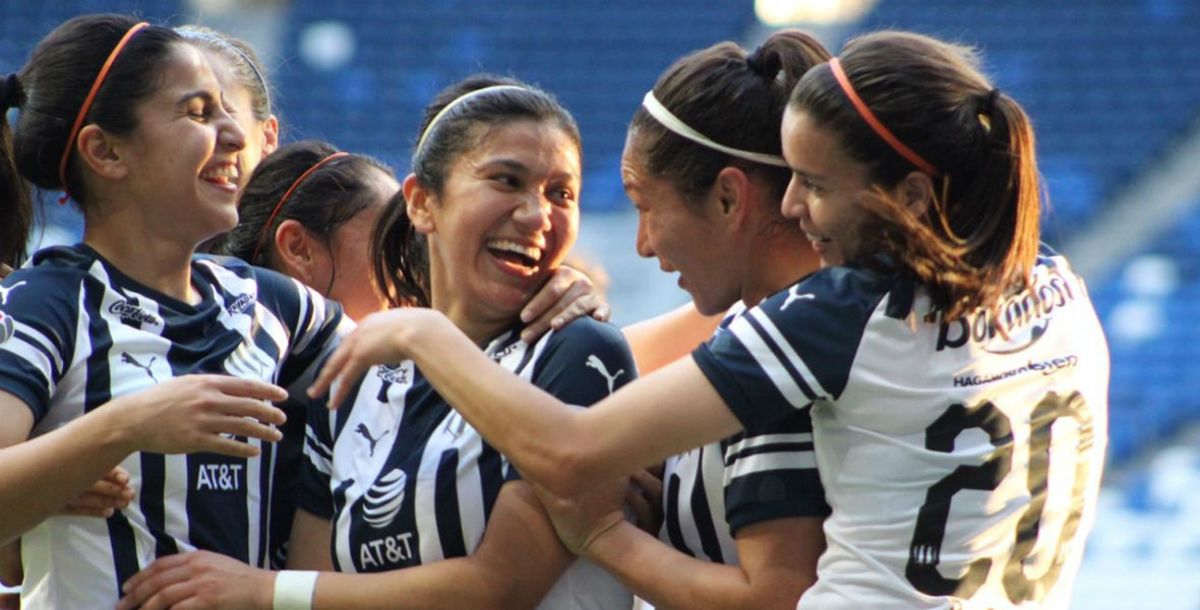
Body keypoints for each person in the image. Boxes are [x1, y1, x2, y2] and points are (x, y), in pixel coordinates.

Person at [308, 30, 1110, 610]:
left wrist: (425, 334)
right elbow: (660, 362)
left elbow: (570, 450)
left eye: (816, 186)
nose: (798, 208)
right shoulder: (1057, 288)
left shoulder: (825, 326)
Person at [119, 75, 639, 610]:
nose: (537, 214)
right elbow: (313, 581)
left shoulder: (578, 353)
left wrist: (259, 590)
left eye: (562, 194)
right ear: (421, 203)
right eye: (506, 180)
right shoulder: (355, 379)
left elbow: (499, 588)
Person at [0, 14, 348, 608]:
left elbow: (405, 384)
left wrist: (560, 303)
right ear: (106, 151)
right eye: (197, 112)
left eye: (226, 110)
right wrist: (127, 426)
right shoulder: (48, 304)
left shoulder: (276, 306)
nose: (235, 135)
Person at [559, 31, 833, 610]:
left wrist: (604, 535)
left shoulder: (787, 347)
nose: (641, 244)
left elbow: (778, 596)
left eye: (645, 205)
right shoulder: (778, 314)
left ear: (729, 199)